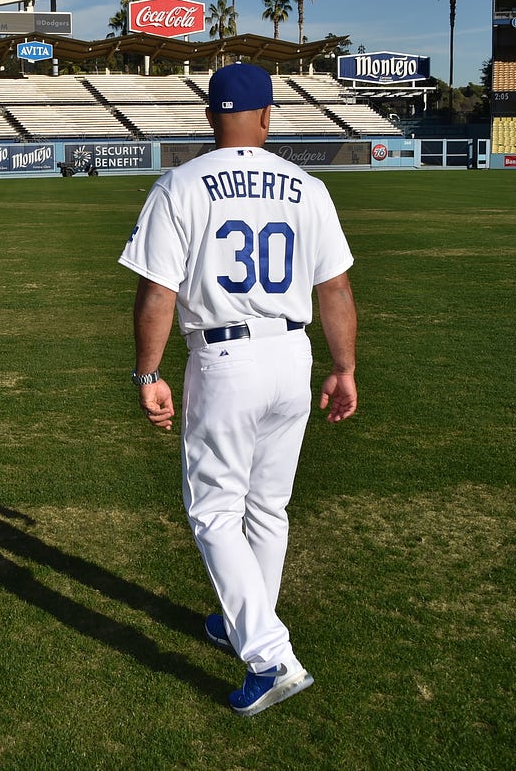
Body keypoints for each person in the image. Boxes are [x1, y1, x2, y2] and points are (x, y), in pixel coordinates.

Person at [118, 62, 358, 717]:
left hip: (225, 357)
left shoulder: (182, 183)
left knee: (216, 511)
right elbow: (334, 288)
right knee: (267, 506)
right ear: (267, 117)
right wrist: (345, 368)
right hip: (293, 351)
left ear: (209, 118)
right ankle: (241, 619)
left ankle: (270, 656)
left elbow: (157, 291)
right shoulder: (306, 186)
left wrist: (148, 373)